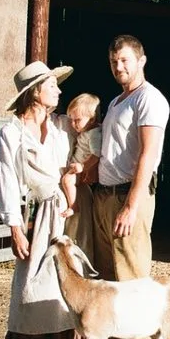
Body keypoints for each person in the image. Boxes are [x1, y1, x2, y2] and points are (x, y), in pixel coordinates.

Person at [0, 61, 85, 339]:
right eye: (51, 86)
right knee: (30, 276)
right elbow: (6, 180)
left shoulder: (62, 126)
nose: (58, 91)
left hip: (66, 208)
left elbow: (90, 137)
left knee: (72, 275)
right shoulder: (12, 133)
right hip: (37, 210)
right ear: (34, 93)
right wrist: (15, 228)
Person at [91, 34, 170, 339]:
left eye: (124, 60)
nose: (118, 66)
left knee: (132, 276)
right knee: (109, 276)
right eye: (113, 61)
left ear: (141, 60)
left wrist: (131, 205)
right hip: (105, 195)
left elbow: (148, 155)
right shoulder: (116, 101)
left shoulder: (149, 99)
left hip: (128, 197)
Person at [60, 93, 102, 261]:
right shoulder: (86, 133)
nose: (73, 124)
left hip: (81, 169)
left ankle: (73, 205)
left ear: (91, 119)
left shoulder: (94, 134)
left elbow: (96, 154)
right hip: (78, 167)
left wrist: (83, 167)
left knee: (66, 180)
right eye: (71, 120)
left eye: (77, 120)